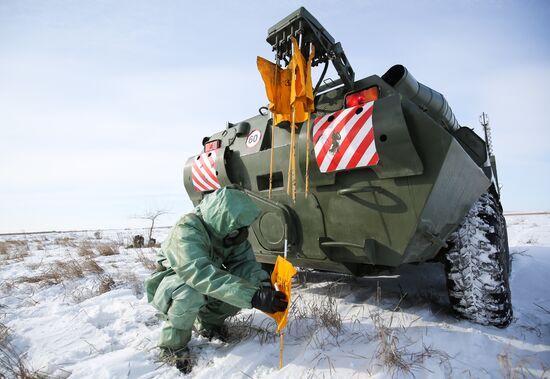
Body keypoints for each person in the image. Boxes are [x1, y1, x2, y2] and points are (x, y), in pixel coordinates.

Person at [144, 187, 288, 374]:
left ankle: (209, 326)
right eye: (237, 226)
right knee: (191, 292)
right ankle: (172, 347)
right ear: (222, 217)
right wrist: (252, 296)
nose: (242, 231)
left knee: (242, 289)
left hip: (206, 280)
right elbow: (198, 273)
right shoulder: (186, 229)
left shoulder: (231, 233)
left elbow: (246, 265)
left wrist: (264, 288)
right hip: (173, 285)